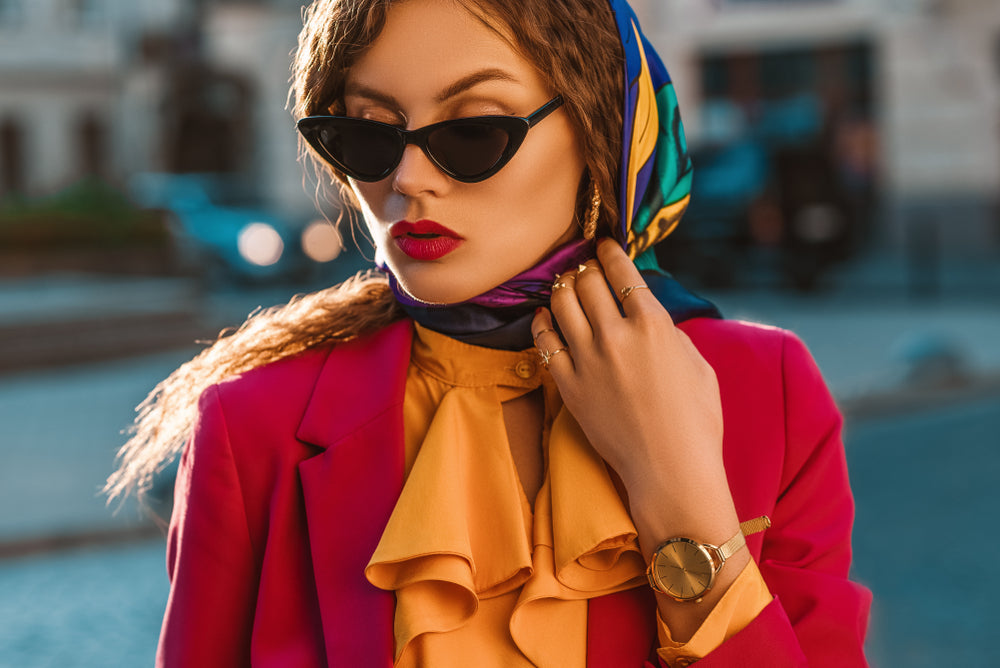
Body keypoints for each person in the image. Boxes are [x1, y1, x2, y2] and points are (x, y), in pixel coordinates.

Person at [107, 0, 871, 665]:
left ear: (601, 128)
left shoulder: (768, 392)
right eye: (368, 135)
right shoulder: (252, 428)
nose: (406, 179)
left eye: (472, 130)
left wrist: (680, 499)